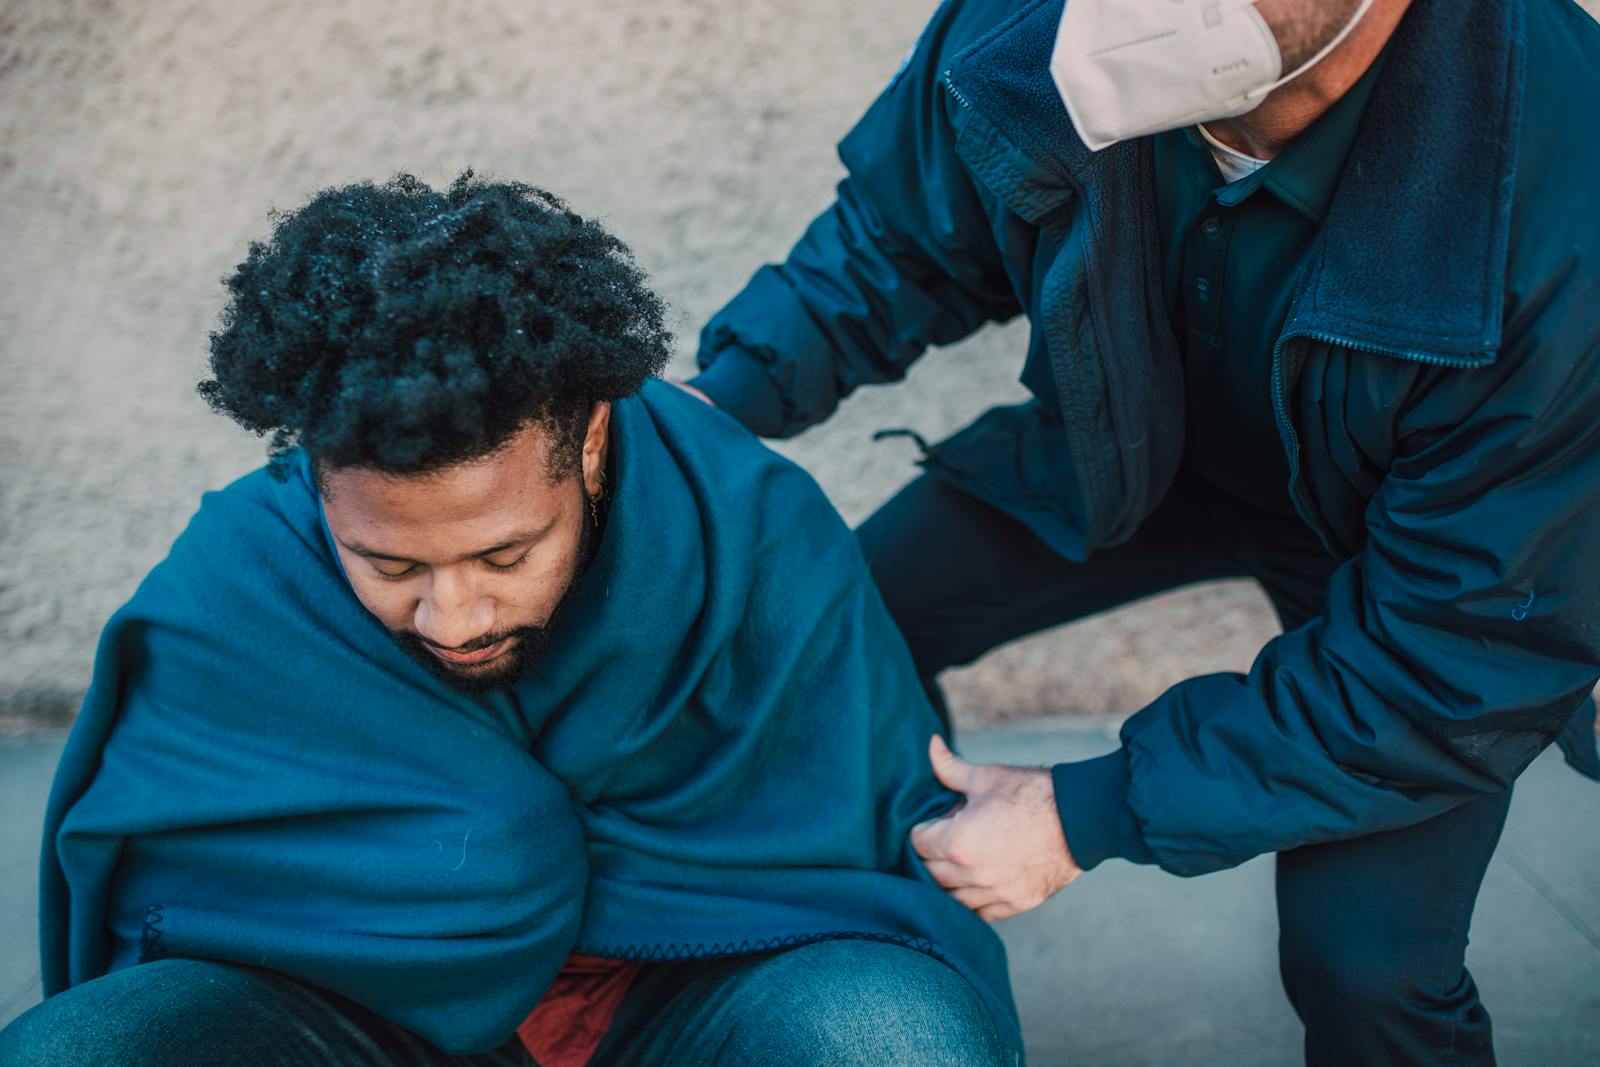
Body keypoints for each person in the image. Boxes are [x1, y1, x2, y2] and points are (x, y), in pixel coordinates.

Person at [685, 0, 1600, 1063]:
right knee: (846, 629)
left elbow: (1444, 655)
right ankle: (901, 963)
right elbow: (907, 233)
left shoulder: (1559, 203)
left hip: (1414, 560)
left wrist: (1081, 813)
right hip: (1139, 441)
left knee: (1366, 960)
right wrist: (709, 414)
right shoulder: (1037, 24)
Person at [0, 174, 1020, 1067]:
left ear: (588, 445)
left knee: (894, 1042)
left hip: (698, 995)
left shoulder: (748, 527)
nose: (455, 615)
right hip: (363, 1005)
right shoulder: (238, 579)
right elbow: (179, 879)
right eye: (389, 562)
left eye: (505, 553)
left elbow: (863, 834)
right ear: (316, 482)